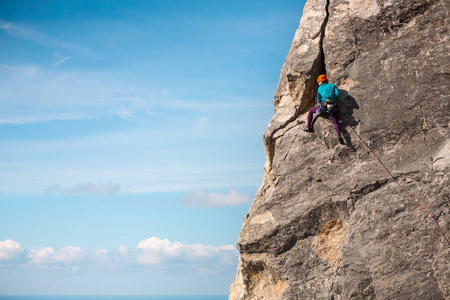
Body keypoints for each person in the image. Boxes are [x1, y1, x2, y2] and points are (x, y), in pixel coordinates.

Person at [303, 74, 344, 144]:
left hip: (323, 107)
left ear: (320, 81)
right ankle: (339, 136)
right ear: (326, 80)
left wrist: (320, 104)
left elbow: (318, 100)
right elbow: (337, 94)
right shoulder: (333, 86)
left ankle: (308, 127)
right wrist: (334, 100)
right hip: (332, 106)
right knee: (335, 122)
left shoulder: (319, 88)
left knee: (310, 111)